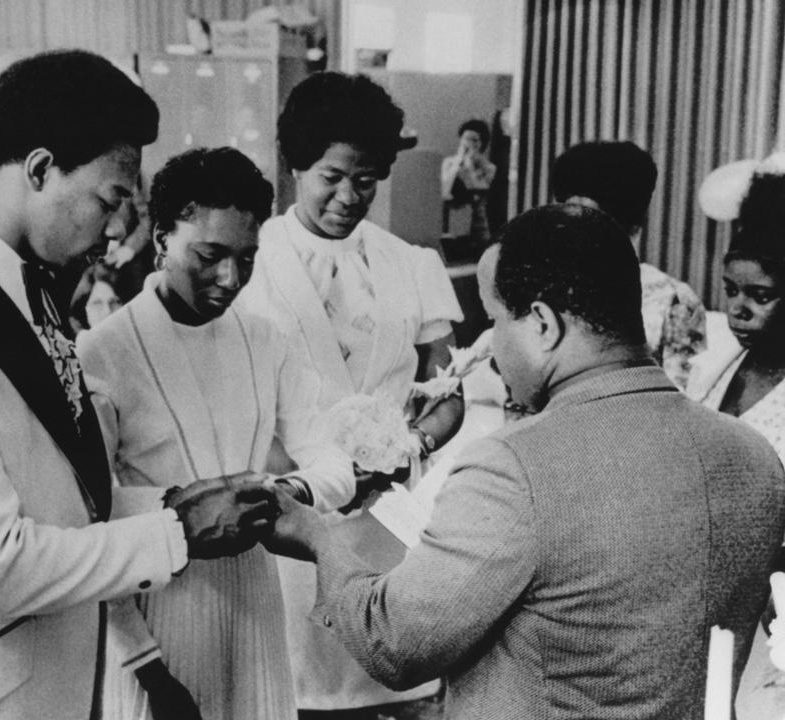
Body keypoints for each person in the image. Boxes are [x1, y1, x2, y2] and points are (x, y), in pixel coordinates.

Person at [0, 50, 278, 720]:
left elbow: (54, 500)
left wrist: (174, 498)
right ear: (40, 170)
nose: (122, 227)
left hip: (47, 683)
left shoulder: (25, 296)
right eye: (112, 198)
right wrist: (177, 529)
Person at [264, 203, 785, 720]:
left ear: (542, 324)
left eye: (494, 321)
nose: (489, 349)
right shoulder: (753, 457)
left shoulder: (513, 467)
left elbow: (395, 644)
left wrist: (318, 539)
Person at [78, 146, 356, 720]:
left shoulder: (265, 341)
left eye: (247, 258)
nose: (230, 279)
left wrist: (287, 494)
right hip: (154, 612)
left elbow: (331, 464)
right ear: (160, 240)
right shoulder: (102, 354)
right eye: (209, 256)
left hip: (254, 602)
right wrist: (147, 669)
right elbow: (89, 522)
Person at [240, 71, 464, 719]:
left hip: (387, 516)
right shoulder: (251, 261)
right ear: (295, 166)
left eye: (365, 179)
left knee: (392, 687)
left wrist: (410, 445)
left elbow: (446, 393)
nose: (348, 196)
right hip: (290, 512)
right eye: (330, 177)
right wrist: (308, 476)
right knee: (296, 689)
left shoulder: (409, 263)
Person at [686, 169, 785, 720]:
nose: (739, 310)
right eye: (730, 291)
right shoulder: (717, 367)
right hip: (706, 597)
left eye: (761, 296)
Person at [553, 140, 707, 389]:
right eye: (567, 217)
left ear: (630, 225)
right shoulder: (547, 289)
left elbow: (682, 402)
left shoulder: (673, 301)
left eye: (591, 220)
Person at [440, 119, 497, 246]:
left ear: (482, 144)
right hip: (452, 220)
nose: (469, 144)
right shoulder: (449, 163)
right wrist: (457, 164)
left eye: (474, 140)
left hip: (478, 224)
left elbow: (477, 188)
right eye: (466, 139)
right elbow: (445, 190)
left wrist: (470, 166)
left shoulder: (489, 168)